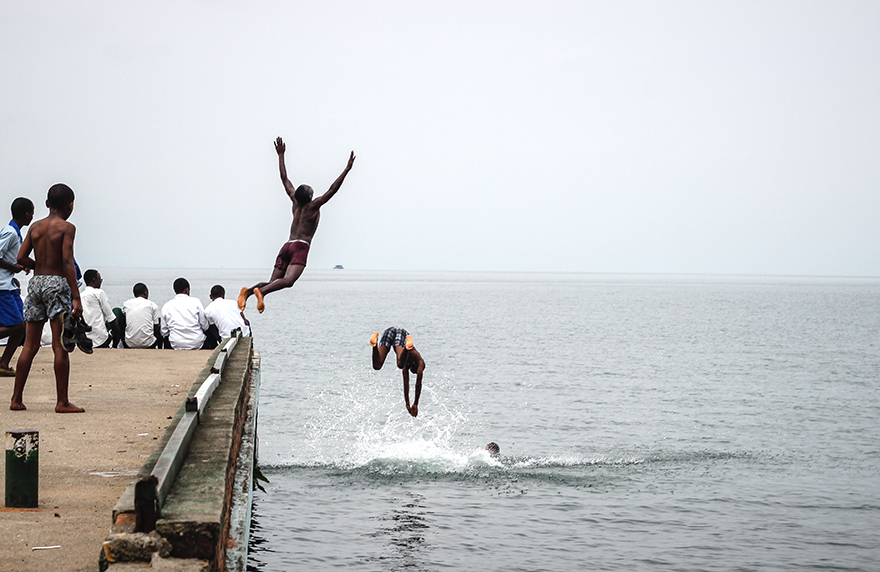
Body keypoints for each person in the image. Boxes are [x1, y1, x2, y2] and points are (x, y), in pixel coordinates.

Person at [238, 137, 355, 314]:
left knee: (274, 283)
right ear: (309, 197)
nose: (313, 192)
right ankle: (261, 292)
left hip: (287, 245)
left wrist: (281, 155)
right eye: (311, 191)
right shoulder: (313, 206)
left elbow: (284, 178)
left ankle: (247, 293)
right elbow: (332, 189)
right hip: (300, 247)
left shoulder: (294, 201)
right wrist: (346, 169)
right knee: (289, 280)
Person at [10, 183, 84, 413]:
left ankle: (16, 399)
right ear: (71, 206)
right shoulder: (67, 228)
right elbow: (66, 262)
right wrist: (76, 297)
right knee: (60, 344)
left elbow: (21, 257)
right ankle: (62, 402)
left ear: (47, 203)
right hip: (57, 284)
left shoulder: (34, 227)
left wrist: (37, 267)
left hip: (36, 283)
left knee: (29, 345)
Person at [0, 197, 34, 375]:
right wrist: (15, 267)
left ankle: (3, 363)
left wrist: (16, 270)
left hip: (9, 284)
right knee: (16, 325)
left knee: (23, 324)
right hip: (2, 287)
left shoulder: (16, 232)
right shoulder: (10, 232)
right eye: (32, 213)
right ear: (27, 214)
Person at [370, 327, 426, 417]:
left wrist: (407, 404)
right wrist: (416, 403)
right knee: (400, 364)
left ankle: (374, 345)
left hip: (388, 331)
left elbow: (406, 384)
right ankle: (407, 347)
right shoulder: (420, 363)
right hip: (402, 333)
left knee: (377, 365)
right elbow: (418, 384)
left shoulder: (407, 363)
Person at [161, 277, 209, 350]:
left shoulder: (167, 305)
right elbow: (205, 325)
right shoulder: (196, 302)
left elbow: (164, 331)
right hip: (196, 342)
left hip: (175, 342)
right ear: (187, 290)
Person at [81, 269, 121, 348]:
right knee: (117, 312)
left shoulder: (80, 295)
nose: (100, 283)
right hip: (100, 339)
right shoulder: (98, 292)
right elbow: (110, 316)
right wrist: (118, 333)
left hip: (85, 338)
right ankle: (115, 345)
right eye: (100, 280)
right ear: (94, 280)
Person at [121, 282, 161, 348]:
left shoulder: (126, 304)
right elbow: (156, 329)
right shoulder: (152, 305)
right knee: (158, 323)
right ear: (145, 293)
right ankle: (160, 349)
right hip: (148, 344)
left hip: (129, 343)